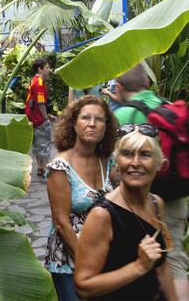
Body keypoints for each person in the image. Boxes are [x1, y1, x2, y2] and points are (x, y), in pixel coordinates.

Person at [74, 124, 177, 300]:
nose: (135, 163)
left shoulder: (156, 204)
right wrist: (139, 266)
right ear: (117, 161)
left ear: (159, 163)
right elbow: (84, 286)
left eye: (145, 154)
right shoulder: (103, 215)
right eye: (127, 154)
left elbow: (162, 267)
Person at [113, 63, 189, 300]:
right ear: (147, 83)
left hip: (137, 202)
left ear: (119, 87)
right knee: (175, 260)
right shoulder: (167, 107)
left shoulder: (123, 115)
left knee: (133, 257)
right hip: (175, 197)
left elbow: (110, 165)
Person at [44, 95, 118, 301]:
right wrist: (89, 263)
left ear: (107, 126)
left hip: (102, 255)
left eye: (99, 119)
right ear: (74, 124)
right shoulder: (60, 167)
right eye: (85, 118)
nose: (92, 124)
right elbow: (61, 223)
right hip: (70, 261)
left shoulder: (107, 160)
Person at [25, 57, 52, 176]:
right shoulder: (39, 82)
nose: (49, 70)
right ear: (40, 69)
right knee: (44, 143)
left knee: (36, 143)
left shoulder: (33, 80)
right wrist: (46, 117)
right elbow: (41, 102)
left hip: (32, 118)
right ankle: (45, 168)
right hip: (39, 118)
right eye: (46, 67)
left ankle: (40, 167)